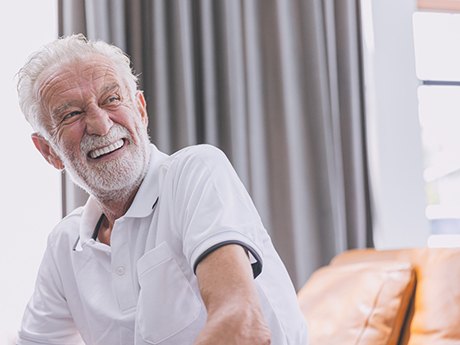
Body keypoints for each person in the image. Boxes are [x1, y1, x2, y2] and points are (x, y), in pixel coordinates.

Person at [16, 34, 308, 345]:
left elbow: (242, 325)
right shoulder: (65, 245)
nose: (101, 125)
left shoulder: (195, 172)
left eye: (111, 99)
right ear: (49, 151)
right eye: (72, 114)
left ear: (140, 110)